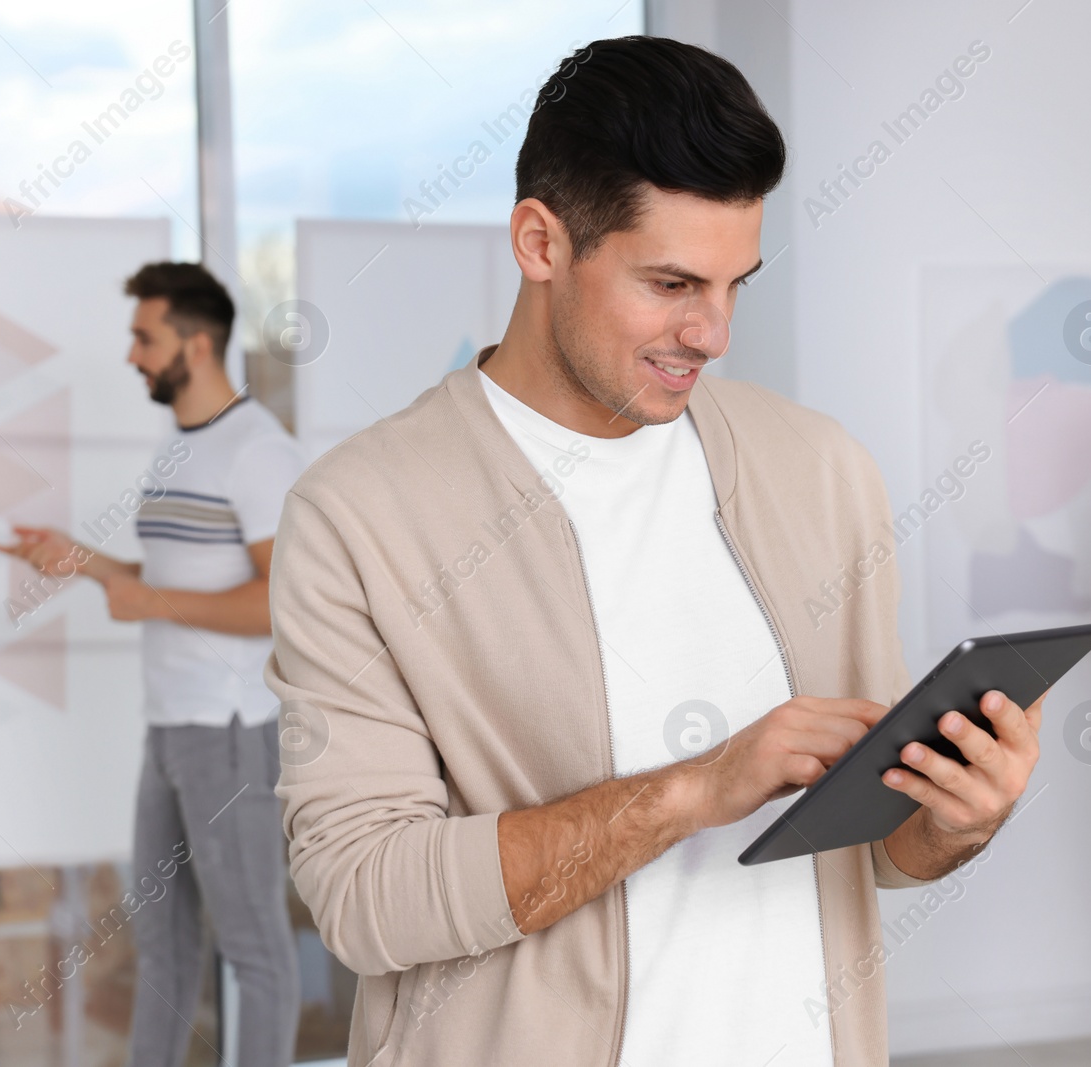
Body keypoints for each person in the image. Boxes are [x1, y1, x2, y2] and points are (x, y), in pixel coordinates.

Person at [265, 36, 1043, 1067]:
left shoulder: (819, 470)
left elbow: (879, 843)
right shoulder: (359, 513)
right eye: (671, 283)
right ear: (540, 243)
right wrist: (690, 791)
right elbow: (364, 899)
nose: (711, 333)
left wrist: (955, 819)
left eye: (734, 284)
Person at [0, 262, 304, 1067]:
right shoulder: (179, 448)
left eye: (145, 337)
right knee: (163, 952)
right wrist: (83, 561)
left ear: (196, 346)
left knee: (257, 954)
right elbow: (163, 584)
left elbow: (285, 601)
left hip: (229, 732)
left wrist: (153, 604)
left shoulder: (260, 451)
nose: (132, 355)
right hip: (169, 728)